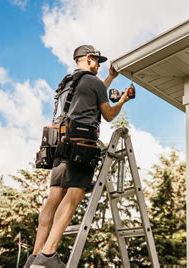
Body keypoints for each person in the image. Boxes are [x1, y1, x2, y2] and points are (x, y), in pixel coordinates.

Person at [26, 44, 131, 268]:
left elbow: (92, 93)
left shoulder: (67, 83)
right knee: (73, 195)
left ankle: (35, 256)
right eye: (97, 61)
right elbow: (109, 115)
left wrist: (110, 78)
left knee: (53, 199)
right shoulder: (93, 82)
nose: (99, 66)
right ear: (89, 59)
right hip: (81, 145)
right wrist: (122, 100)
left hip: (61, 145)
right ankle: (48, 254)